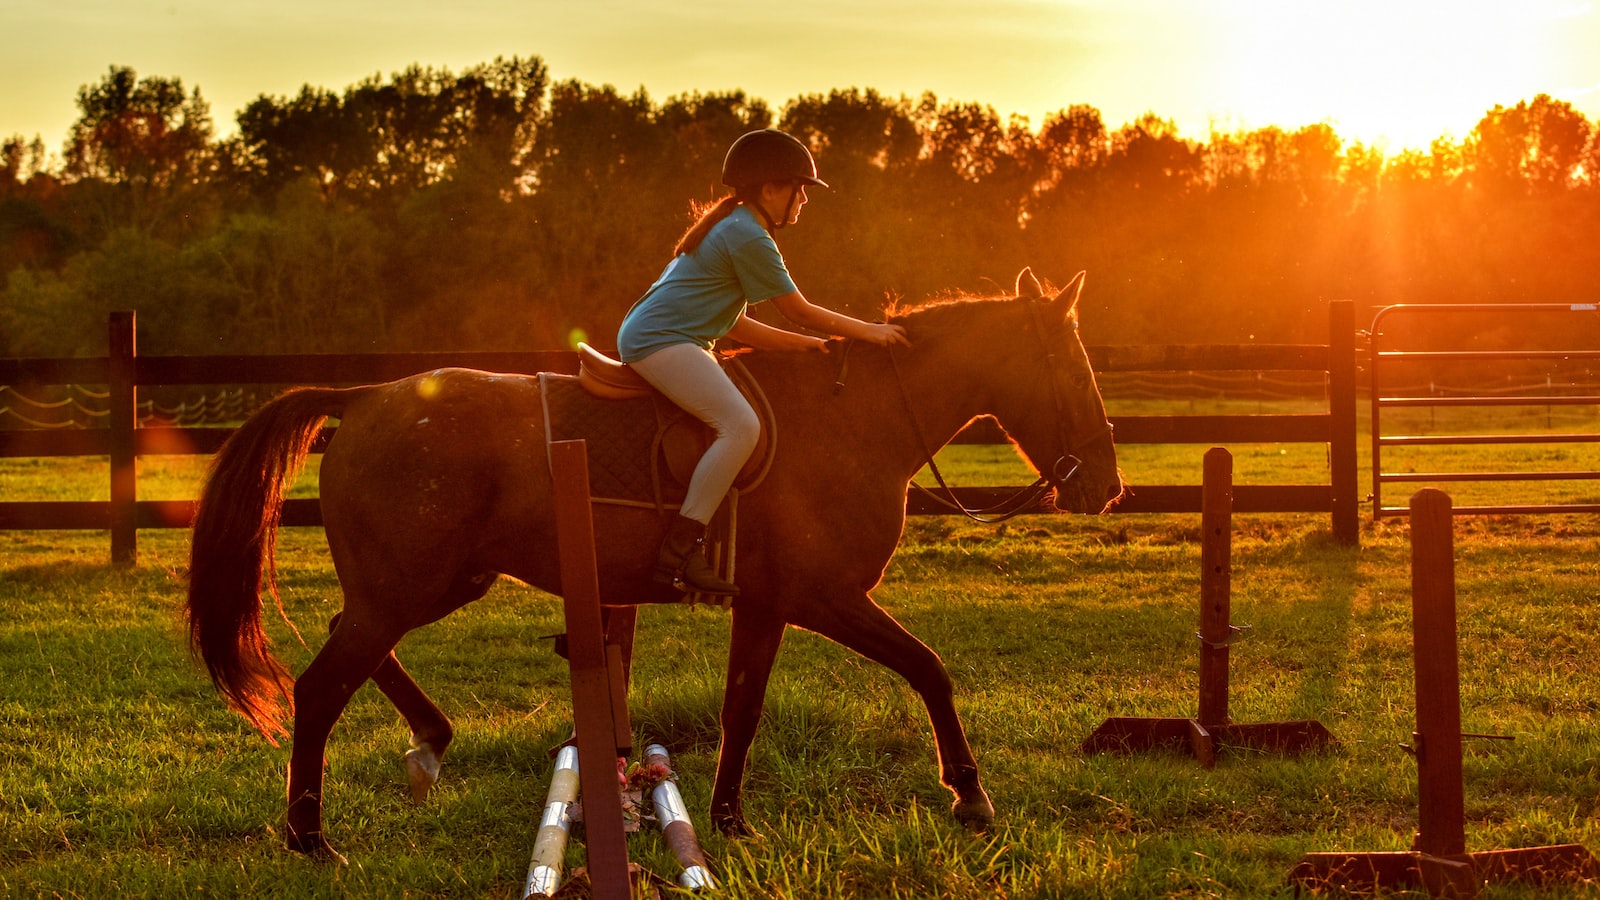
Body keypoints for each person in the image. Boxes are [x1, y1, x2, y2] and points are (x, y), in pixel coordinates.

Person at [617, 128, 910, 597]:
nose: (804, 201)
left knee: (739, 422)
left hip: (667, 339)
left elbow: (737, 326)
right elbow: (798, 309)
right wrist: (870, 331)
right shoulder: (748, 234)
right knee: (741, 427)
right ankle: (680, 551)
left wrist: (807, 347)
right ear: (772, 188)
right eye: (800, 189)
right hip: (662, 342)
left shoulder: (733, 224)